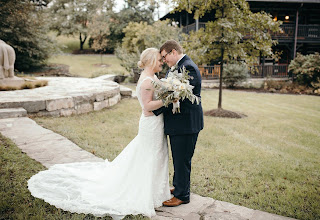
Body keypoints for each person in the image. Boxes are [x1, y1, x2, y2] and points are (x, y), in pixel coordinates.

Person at [28, 48, 171, 220]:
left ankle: (156, 192)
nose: (162, 62)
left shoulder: (152, 77)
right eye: (159, 60)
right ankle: (146, 193)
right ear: (152, 61)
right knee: (150, 157)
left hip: (157, 123)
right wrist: (168, 99)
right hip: (151, 124)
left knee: (155, 155)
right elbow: (147, 107)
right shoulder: (148, 81)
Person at [151, 40, 204, 207]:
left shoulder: (188, 68)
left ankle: (182, 195)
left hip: (186, 124)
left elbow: (180, 95)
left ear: (173, 52)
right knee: (178, 157)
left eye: (164, 56)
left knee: (182, 159)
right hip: (179, 123)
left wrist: (154, 109)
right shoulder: (177, 68)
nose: (164, 60)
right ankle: (179, 186)